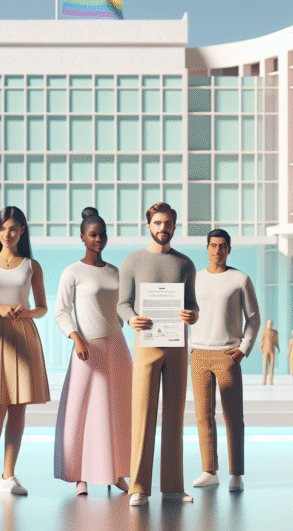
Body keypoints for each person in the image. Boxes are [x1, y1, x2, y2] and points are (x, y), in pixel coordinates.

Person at [117, 201, 199, 506]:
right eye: (158, 223)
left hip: (177, 346)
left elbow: (193, 305)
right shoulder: (132, 261)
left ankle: (173, 487)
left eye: (168, 224)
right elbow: (123, 303)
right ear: (148, 225)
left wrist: (192, 316)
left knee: (175, 417)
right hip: (146, 344)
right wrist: (130, 318)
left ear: (174, 227)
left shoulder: (186, 264)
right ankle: (138, 486)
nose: (163, 228)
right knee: (142, 416)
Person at [0, 206, 50, 497]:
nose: (7, 234)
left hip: (24, 334)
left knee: (18, 407)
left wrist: (25, 312)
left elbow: (42, 308)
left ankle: (8, 476)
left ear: (22, 231)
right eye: (2, 228)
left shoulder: (31, 265)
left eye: (14, 228)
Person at [53, 207, 132, 496]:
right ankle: (80, 475)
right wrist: (76, 338)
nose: (98, 239)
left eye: (102, 235)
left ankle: (118, 472)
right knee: (83, 411)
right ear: (83, 237)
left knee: (119, 410)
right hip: (86, 347)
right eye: (92, 235)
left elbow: (122, 308)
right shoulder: (72, 272)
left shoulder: (114, 271)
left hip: (117, 345)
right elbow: (60, 311)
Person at [190, 229, 259, 493]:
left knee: (233, 417)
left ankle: (236, 474)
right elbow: (186, 312)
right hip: (198, 354)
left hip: (227, 354)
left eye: (222, 246)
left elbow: (253, 317)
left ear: (229, 249)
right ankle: (209, 471)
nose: (217, 250)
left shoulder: (240, 279)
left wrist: (243, 349)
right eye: (213, 245)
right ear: (206, 248)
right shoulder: (194, 279)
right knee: (203, 416)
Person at [259, 319, 279, 385]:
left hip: (272, 350)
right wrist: (260, 347)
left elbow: (276, 341)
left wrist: (278, 348)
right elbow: (261, 340)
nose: (270, 324)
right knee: (265, 366)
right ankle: (264, 380)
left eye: (271, 323)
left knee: (272, 366)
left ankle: (271, 381)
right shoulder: (264, 331)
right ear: (267, 323)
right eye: (269, 323)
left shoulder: (275, 332)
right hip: (265, 350)